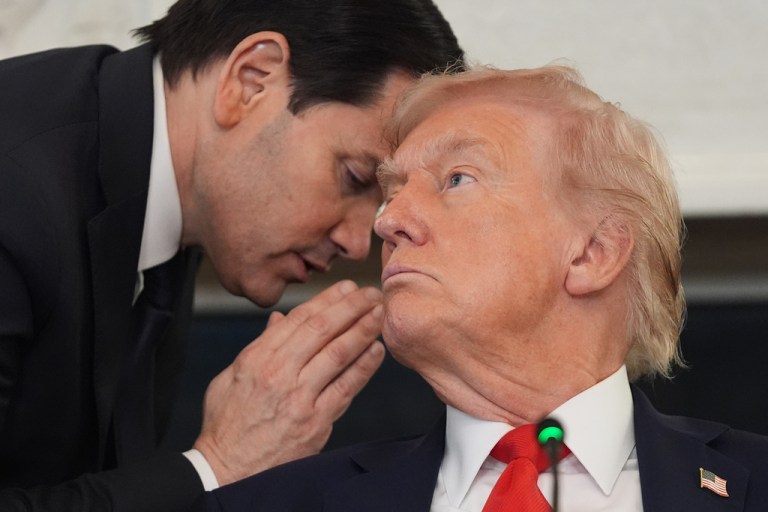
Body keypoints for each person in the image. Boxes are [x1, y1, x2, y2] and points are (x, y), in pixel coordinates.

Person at [190, 65, 768, 511]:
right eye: (393, 191)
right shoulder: (270, 504)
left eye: (456, 179)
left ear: (593, 253)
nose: (387, 221)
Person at [0, 1, 463, 510]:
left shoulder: (179, 191)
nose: (359, 242)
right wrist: (218, 464)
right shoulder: (15, 194)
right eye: (353, 177)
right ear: (252, 79)